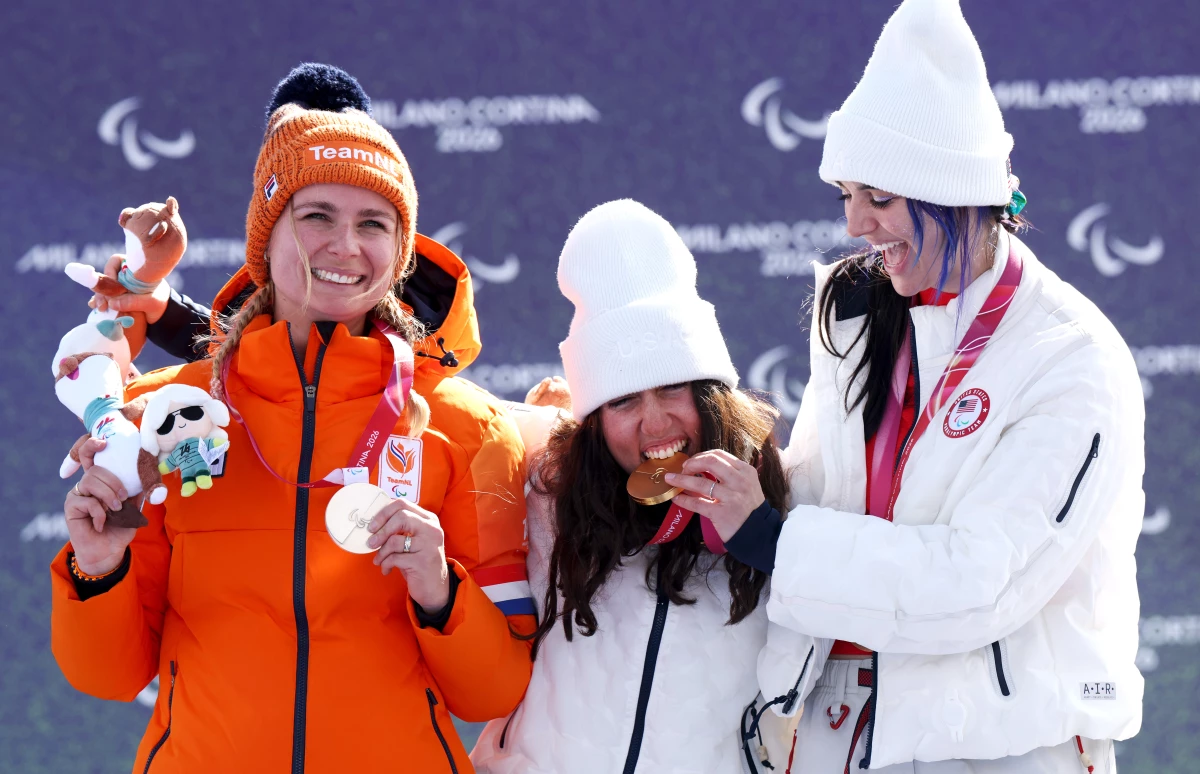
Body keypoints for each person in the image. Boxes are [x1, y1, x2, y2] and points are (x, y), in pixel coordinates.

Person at [673, 1, 1145, 771]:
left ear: (955, 193)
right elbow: (831, 496)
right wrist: (722, 475)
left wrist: (773, 537)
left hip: (1002, 745)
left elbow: (977, 583)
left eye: (879, 199)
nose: (855, 223)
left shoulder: (1071, 357)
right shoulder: (857, 313)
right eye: (846, 196)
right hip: (843, 725)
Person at [51, 63, 534, 772]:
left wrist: (440, 590)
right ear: (266, 235)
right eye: (317, 217)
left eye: (374, 223)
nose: (345, 246)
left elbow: (494, 690)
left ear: (397, 255)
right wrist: (97, 568)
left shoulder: (466, 428)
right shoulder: (162, 413)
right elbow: (108, 676)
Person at [469, 200, 785, 773]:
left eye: (671, 388)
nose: (655, 424)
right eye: (623, 400)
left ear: (711, 389)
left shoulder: (778, 498)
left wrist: (768, 537)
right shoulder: (545, 491)